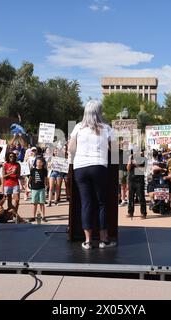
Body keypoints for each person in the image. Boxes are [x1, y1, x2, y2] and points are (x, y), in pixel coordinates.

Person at [68, 100, 117, 250]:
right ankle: (104, 240)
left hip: (80, 167)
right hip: (99, 166)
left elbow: (71, 149)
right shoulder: (107, 128)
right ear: (99, 112)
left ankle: (88, 241)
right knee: (102, 203)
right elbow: (114, 152)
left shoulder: (77, 127)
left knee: (86, 203)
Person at [126, 149, 147, 219]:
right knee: (130, 197)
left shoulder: (143, 158)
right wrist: (129, 160)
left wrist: (136, 164)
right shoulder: (130, 159)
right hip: (131, 179)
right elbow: (128, 169)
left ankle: (143, 213)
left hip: (140, 180)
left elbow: (144, 169)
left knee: (141, 197)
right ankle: (130, 212)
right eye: (134, 152)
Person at [29, 158, 48, 223]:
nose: (39, 163)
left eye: (40, 162)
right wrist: (28, 184)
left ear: (42, 163)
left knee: (42, 203)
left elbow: (46, 179)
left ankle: (43, 217)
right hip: (34, 188)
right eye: (37, 162)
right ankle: (33, 216)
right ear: (35, 163)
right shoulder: (33, 170)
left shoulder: (44, 170)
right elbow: (30, 178)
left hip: (41, 188)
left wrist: (47, 185)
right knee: (35, 203)